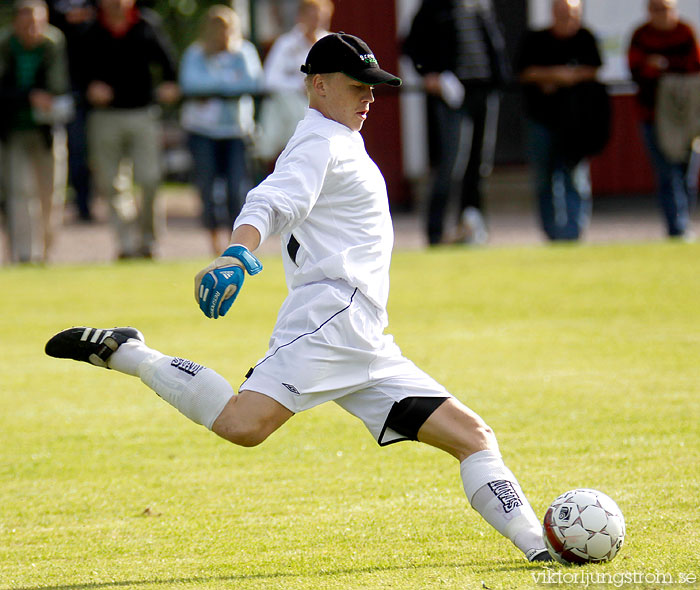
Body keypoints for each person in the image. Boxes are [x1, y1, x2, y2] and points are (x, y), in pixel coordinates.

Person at [45, 33, 552, 563]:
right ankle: (129, 351)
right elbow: (271, 200)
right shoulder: (320, 142)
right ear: (318, 85)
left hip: (368, 338)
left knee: (473, 436)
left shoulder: (339, 137)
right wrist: (236, 254)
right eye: (358, 86)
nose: (369, 97)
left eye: (373, 87)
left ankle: (541, 550)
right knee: (243, 426)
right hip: (331, 318)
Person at [403, 0, 510, 246]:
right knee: (452, 164)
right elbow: (411, 47)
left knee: (480, 164)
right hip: (453, 95)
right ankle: (435, 231)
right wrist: (429, 75)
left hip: (484, 92)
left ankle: (472, 228)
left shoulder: (480, 7)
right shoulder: (432, 8)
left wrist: (500, 79)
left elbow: (494, 47)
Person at [78, 0, 179, 259]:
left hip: (142, 113)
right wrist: (89, 88)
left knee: (149, 178)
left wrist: (170, 85)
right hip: (104, 117)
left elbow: (169, 64)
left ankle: (149, 241)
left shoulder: (147, 25)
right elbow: (75, 73)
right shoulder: (90, 30)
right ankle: (125, 244)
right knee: (112, 185)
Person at [515, 0, 605, 242]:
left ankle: (574, 232)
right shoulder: (535, 39)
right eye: (562, 13)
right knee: (544, 178)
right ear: (553, 13)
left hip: (576, 122)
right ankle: (552, 233)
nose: (567, 18)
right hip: (540, 119)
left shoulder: (585, 39)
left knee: (575, 177)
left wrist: (565, 78)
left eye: (572, 14)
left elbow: (593, 69)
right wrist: (555, 75)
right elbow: (524, 71)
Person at [179, 5, 263, 255]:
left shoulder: (244, 52)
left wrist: (212, 89)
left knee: (237, 189)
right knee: (207, 188)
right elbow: (190, 84)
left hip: (236, 131)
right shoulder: (195, 54)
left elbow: (254, 82)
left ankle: (234, 243)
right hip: (202, 132)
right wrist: (228, 84)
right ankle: (213, 243)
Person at [0, 0, 70, 264]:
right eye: (27, 22)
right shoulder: (5, 44)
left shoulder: (53, 43)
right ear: (16, 21)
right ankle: (23, 254)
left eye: (38, 23)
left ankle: (46, 252)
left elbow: (59, 85)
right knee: (19, 192)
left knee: (50, 194)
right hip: (14, 130)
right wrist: (28, 97)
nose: (33, 28)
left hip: (47, 131)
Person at [628, 0, 700, 239]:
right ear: (649, 11)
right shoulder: (641, 35)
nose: (662, 14)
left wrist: (665, 66)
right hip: (653, 116)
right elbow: (635, 71)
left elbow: (694, 67)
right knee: (667, 173)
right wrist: (652, 68)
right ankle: (676, 227)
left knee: (686, 172)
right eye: (657, 9)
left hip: (685, 117)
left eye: (667, 9)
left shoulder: (685, 32)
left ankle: (684, 221)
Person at [255, 0, 333, 163]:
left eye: (320, 16)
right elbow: (269, 79)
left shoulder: (331, 43)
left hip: (327, 114)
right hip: (292, 115)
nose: (316, 20)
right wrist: (301, 86)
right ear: (300, 16)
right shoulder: (285, 44)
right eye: (311, 15)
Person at [47, 0, 96, 222]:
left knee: (85, 152)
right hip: (56, 90)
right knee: (65, 151)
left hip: (91, 91)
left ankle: (85, 203)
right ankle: (67, 207)